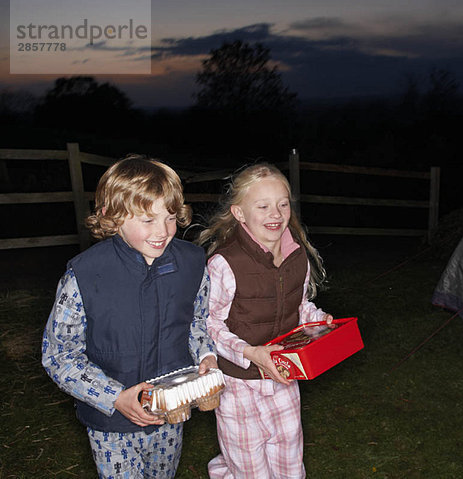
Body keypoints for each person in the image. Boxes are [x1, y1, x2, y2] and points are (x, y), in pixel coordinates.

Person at [41, 155, 218, 478]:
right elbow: (59, 355)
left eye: (170, 217)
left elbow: (196, 322)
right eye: (146, 220)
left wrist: (206, 354)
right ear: (112, 216)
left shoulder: (192, 264)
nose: (162, 231)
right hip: (111, 424)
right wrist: (114, 397)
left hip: (170, 414)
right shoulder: (85, 275)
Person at [196, 162, 333, 478]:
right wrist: (251, 353)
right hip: (239, 387)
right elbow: (209, 325)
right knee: (249, 470)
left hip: (284, 379)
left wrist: (318, 320)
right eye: (263, 206)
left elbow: (300, 306)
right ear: (240, 213)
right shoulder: (224, 265)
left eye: (283, 204)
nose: (276, 213)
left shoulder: (298, 258)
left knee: (289, 465)